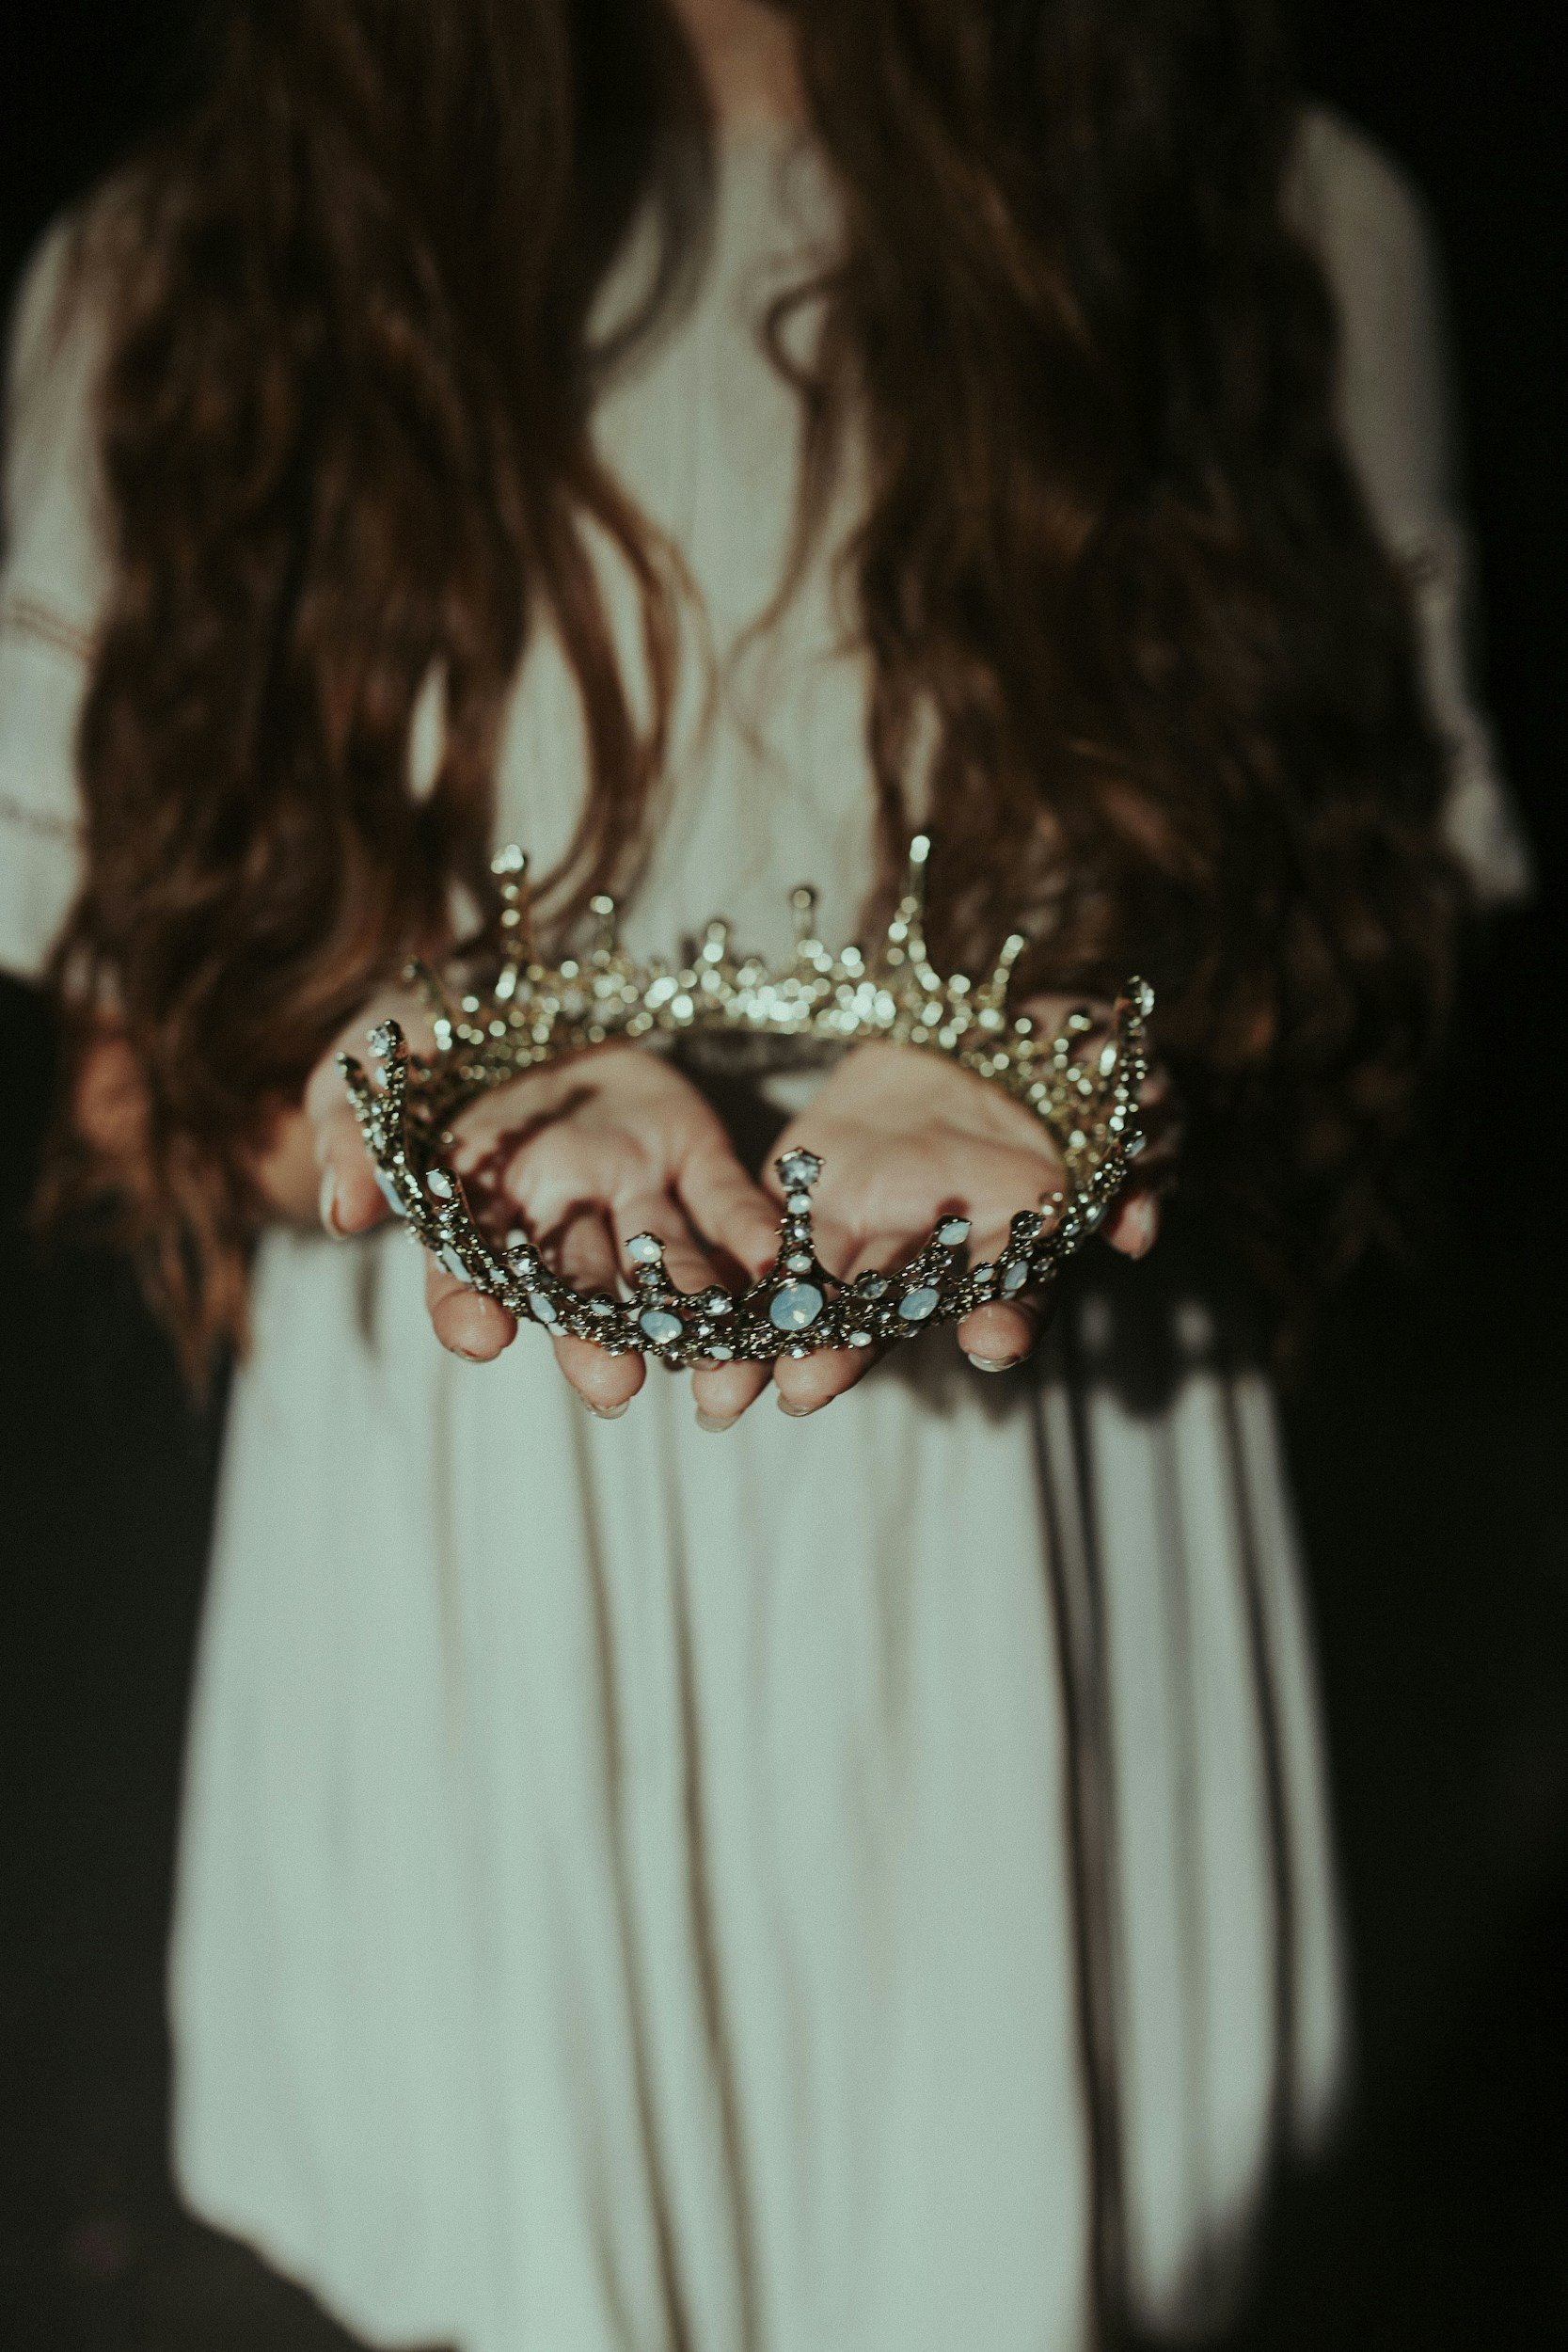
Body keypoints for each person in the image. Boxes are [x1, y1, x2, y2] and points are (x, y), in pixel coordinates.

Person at [0, 2, 1528, 2345]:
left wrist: (1095, 1084)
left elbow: (1357, 976)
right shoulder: (183, 273)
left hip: (1030, 1606)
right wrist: (413, 1098)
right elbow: (132, 1072)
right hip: (482, 1598)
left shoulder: (1274, 220)